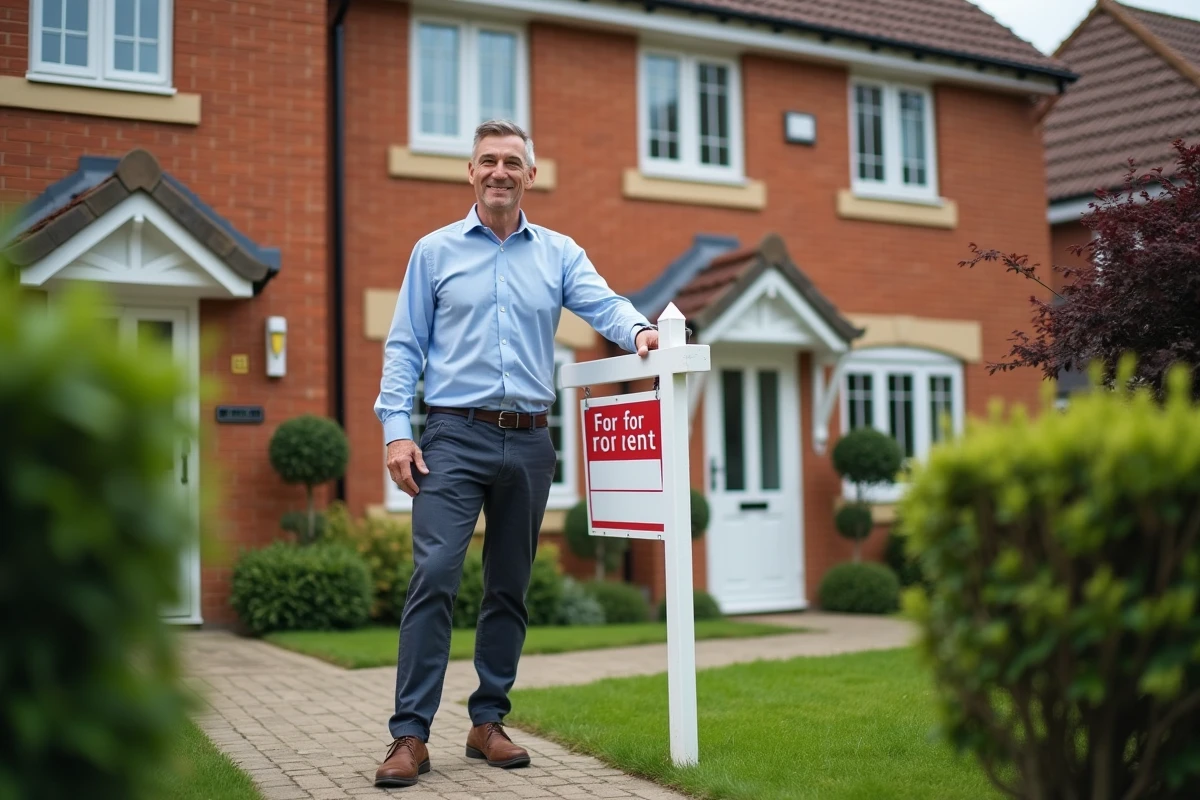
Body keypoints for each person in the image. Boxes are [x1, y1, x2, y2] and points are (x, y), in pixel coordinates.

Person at [372, 119, 659, 789]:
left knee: (509, 585)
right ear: (470, 173)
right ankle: (409, 735)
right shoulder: (434, 252)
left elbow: (603, 304)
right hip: (452, 436)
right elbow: (404, 346)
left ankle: (487, 722)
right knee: (435, 575)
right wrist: (396, 428)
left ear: (531, 175)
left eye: (512, 162)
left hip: (530, 439)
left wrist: (642, 332)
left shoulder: (557, 253)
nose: (499, 171)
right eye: (488, 161)